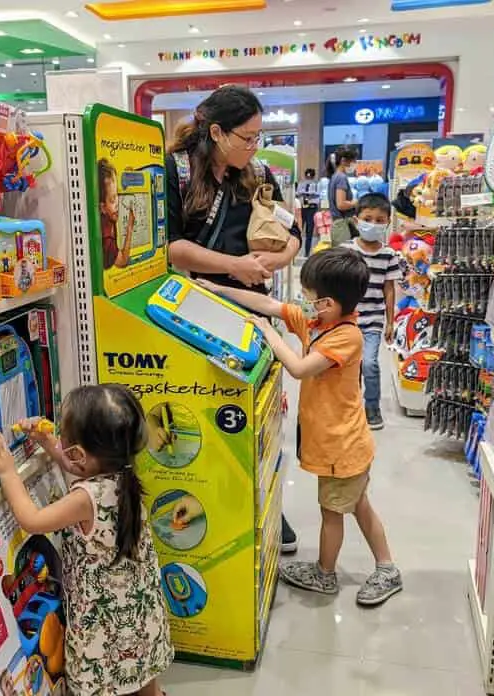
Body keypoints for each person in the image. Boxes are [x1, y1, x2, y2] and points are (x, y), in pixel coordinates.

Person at [197, 248, 402, 606]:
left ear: (328, 303)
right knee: (359, 504)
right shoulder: (320, 317)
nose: (303, 303)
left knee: (333, 512)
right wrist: (221, 291)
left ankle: (326, 575)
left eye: (309, 297)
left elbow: (299, 367)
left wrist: (268, 334)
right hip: (343, 443)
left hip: (343, 446)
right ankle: (387, 567)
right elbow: (273, 306)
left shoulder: (346, 337)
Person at [166, 84, 301, 554]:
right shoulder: (177, 170)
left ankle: (266, 504)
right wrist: (234, 265)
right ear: (217, 132)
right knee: (216, 413)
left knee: (262, 413)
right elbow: (171, 246)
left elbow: (294, 229)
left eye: (259, 136)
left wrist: (279, 259)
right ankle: (216, 505)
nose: (255, 147)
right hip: (198, 307)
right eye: (247, 137)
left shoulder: (258, 172)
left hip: (254, 307)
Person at [0, 384, 173, 696]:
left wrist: (8, 473)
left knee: (107, 683)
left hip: (105, 620)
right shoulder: (124, 473)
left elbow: (31, 520)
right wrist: (48, 444)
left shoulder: (85, 498)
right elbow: (79, 466)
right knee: (143, 674)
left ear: (80, 453)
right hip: (141, 610)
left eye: (62, 434)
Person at [345, 193, 402, 430]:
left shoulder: (389, 255)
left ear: (388, 222)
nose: (374, 224)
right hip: (347, 320)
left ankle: (372, 406)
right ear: (357, 221)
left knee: (369, 364)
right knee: (349, 366)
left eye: (380, 220)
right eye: (368, 218)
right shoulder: (346, 250)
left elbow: (389, 289)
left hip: (373, 320)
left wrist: (390, 322)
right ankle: (351, 406)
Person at [98, 158, 134, 270]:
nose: (118, 204)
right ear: (102, 208)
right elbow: (122, 260)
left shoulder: (109, 218)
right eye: (112, 200)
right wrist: (130, 228)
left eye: (117, 195)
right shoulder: (106, 237)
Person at [327, 146, 359, 246]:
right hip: (342, 225)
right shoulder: (341, 177)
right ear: (343, 161)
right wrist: (356, 202)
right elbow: (341, 204)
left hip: (339, 224)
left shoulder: (335, 176)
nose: (354, 164)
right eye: (353, 161)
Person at [296, 168, 319, 255]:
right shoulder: (301, 183)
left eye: (310, 176)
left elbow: (318, 196)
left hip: (312, 208)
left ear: (313, 176)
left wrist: (312, 194)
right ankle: (296, 250)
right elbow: (297, 194)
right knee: (299, 229)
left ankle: (307, 252)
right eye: (307, 176)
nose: (308, 178)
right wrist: (303, 192)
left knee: (309, 231)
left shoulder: (317, 184)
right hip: (302, 208)